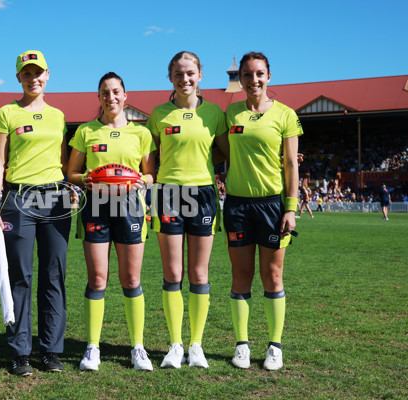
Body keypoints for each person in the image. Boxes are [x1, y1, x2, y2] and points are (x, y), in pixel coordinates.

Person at [0, 50, 71, 376]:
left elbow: (62, 161)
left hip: (56, 201)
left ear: (48, 75)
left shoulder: (59, 115)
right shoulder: (6, 113)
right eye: (27, 73)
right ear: (18, 77)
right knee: (20, 276)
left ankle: (51, 350)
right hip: (18, 199)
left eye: (39, 72)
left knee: (54, 276)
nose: (33, 78)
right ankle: (20, 351)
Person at [67, 72, 157, 372]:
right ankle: (92, 347)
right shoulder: (85, 131)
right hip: (96, 205)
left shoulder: (141, 134)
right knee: (97, 280)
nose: (111, 98)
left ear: (125, 95)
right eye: (105, 93)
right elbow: (72, 173)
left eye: (116, 92)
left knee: (131, 280)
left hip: (130, 205)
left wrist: (136, 181)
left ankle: (137, 347)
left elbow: (150, 174)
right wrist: (88, 179)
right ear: (99, 97)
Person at [147, 51, 229, 369]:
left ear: (200, 75)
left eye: (190, 73)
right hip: (167, 194)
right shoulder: (158, 115)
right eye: (179, 74)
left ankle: (196, 345)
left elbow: (226, 152)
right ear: (171, 77)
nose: (185, 79)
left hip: (204, 194)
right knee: (173, 273)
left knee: (198, 273)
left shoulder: (215, 114)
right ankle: (175, 345)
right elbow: (150, 157)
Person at [223, 51, 302, 371]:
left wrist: (291, 208)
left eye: (259, 74)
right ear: (239, 79)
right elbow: (223, 152)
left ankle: (274, 346)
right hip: (238, 205)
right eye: (247, 75)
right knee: (241, 275)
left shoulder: (286, 115)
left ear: (268, 76)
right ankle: (241, 345)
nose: (253, 80)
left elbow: (290, 165)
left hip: (272, 205)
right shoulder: (231, 114)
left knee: (272, 276)